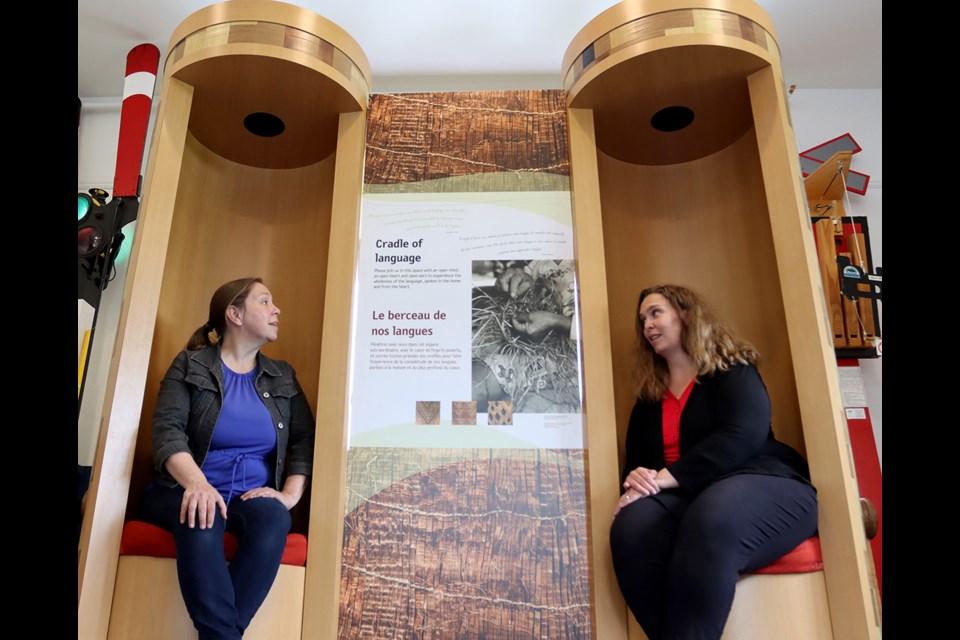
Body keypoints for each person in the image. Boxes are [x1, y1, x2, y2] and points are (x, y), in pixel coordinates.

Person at [609, 284, 817, 640]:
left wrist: (663, 478)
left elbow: (742, 436)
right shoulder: (648, 400)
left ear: (686, 314)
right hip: (685, 498)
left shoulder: (733, 371)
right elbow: (641, 464)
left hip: (758, 481)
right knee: (631, 528)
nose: (647, 325)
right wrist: (640, 478)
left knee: (712, 515)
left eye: (655, 312)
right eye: (643, 319)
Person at [138, 277, 316, 640]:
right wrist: (198, 484)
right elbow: (167, 431)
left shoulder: (282, 376)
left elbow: (304, 441)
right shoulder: (191, 365)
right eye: (264, 301)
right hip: (181, 487)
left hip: (251, 495)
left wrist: (288, 497)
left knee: (273, 518)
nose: (276, 309)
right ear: (234, 314)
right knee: (201, 515)